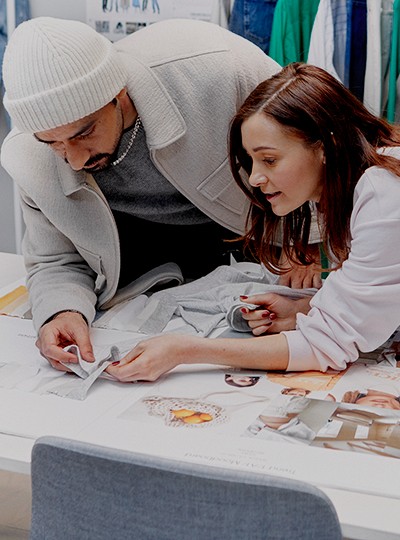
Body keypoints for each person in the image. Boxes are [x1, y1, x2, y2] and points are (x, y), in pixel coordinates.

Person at [2, 16, 316, 370]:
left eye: (83, 133)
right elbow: (55, 259)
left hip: (254, 231)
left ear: (118, 96)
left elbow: (314, 152)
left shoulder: (218, 69)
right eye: (53, 144)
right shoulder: (29, 157)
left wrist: (307, 239)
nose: (74, 160)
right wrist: (59, 312)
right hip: (135, 266)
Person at [103, 62, 400, 383]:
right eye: (252, 160)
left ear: (326, 146)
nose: (256, 178)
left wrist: (186, 350)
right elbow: (381, 297)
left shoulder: (382, 191)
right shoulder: (353, 189)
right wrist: (305, 308)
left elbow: (327, 345)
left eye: (270, 159)